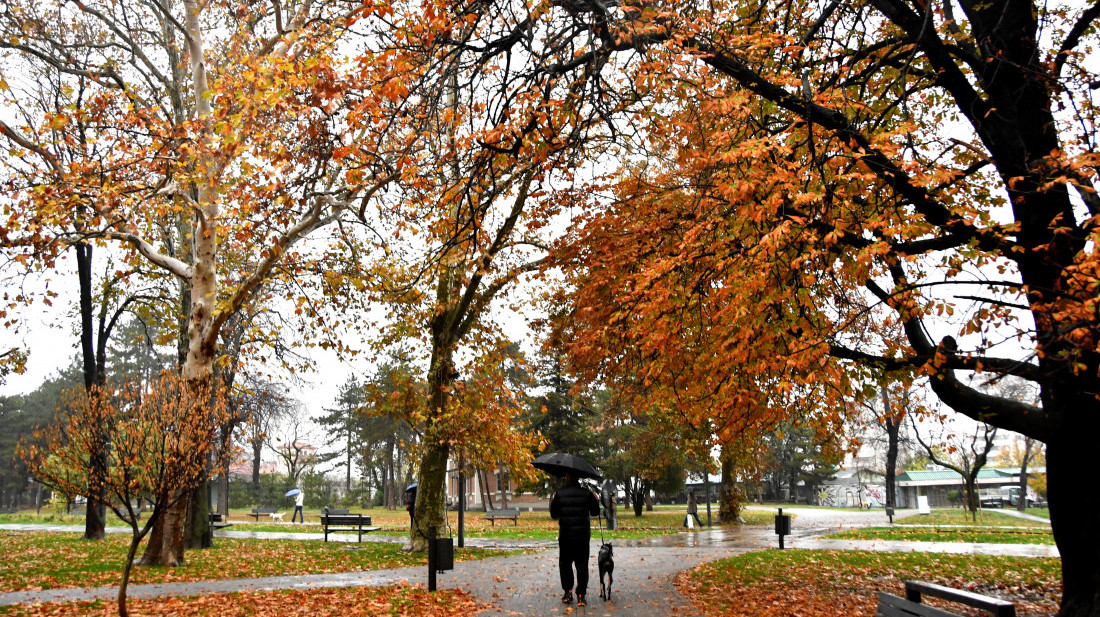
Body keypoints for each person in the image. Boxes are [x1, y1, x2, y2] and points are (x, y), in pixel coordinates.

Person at [550, 472, 600, 607]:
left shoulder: (560, 494)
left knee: (565, 564)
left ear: (566, 477)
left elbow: (553, 514)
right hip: (582, 536)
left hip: (566, 536)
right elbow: (596, 512)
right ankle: (581, 595)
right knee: (582, 565)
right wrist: (595, 499)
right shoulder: (586, 493)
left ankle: (567, 592)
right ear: (578, 477)